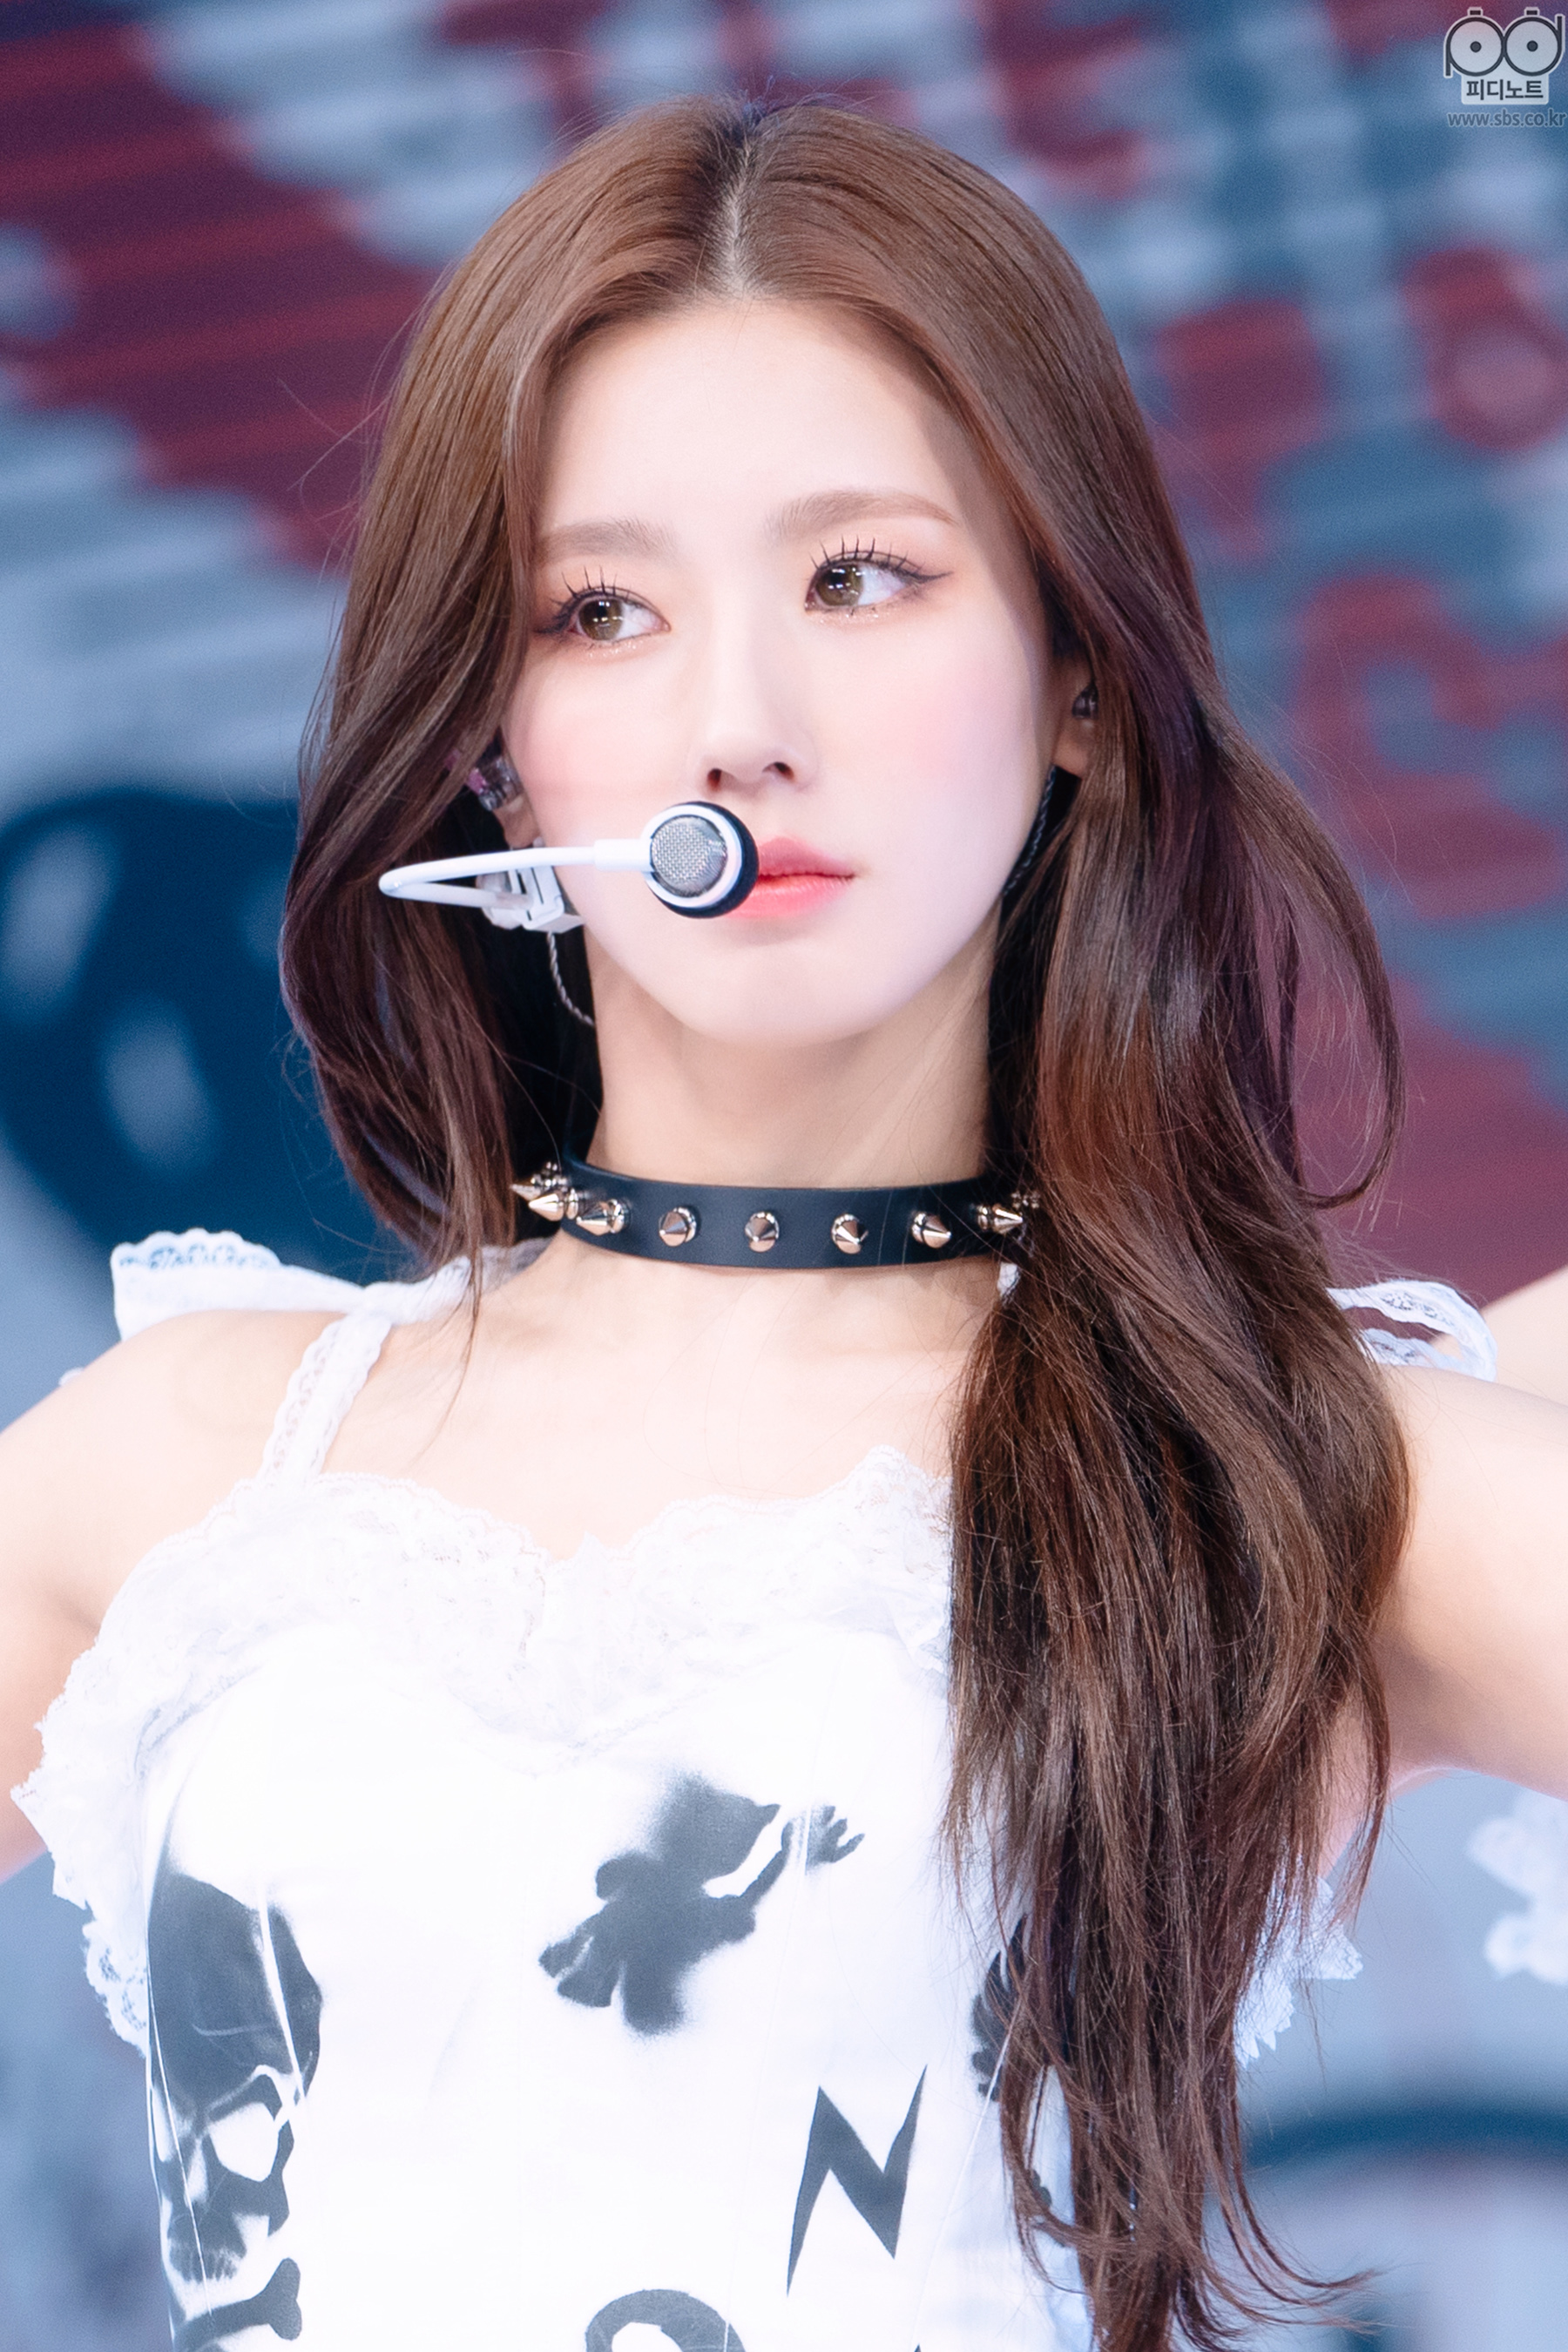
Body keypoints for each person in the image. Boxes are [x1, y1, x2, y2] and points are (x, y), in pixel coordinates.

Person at [0, 97, 1565, 2352]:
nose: (736, 724)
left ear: (1081, 681)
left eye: (860, 578)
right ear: (500, 749)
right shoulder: (194, 1465)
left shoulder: (1267, 1476)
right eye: (603, 610)